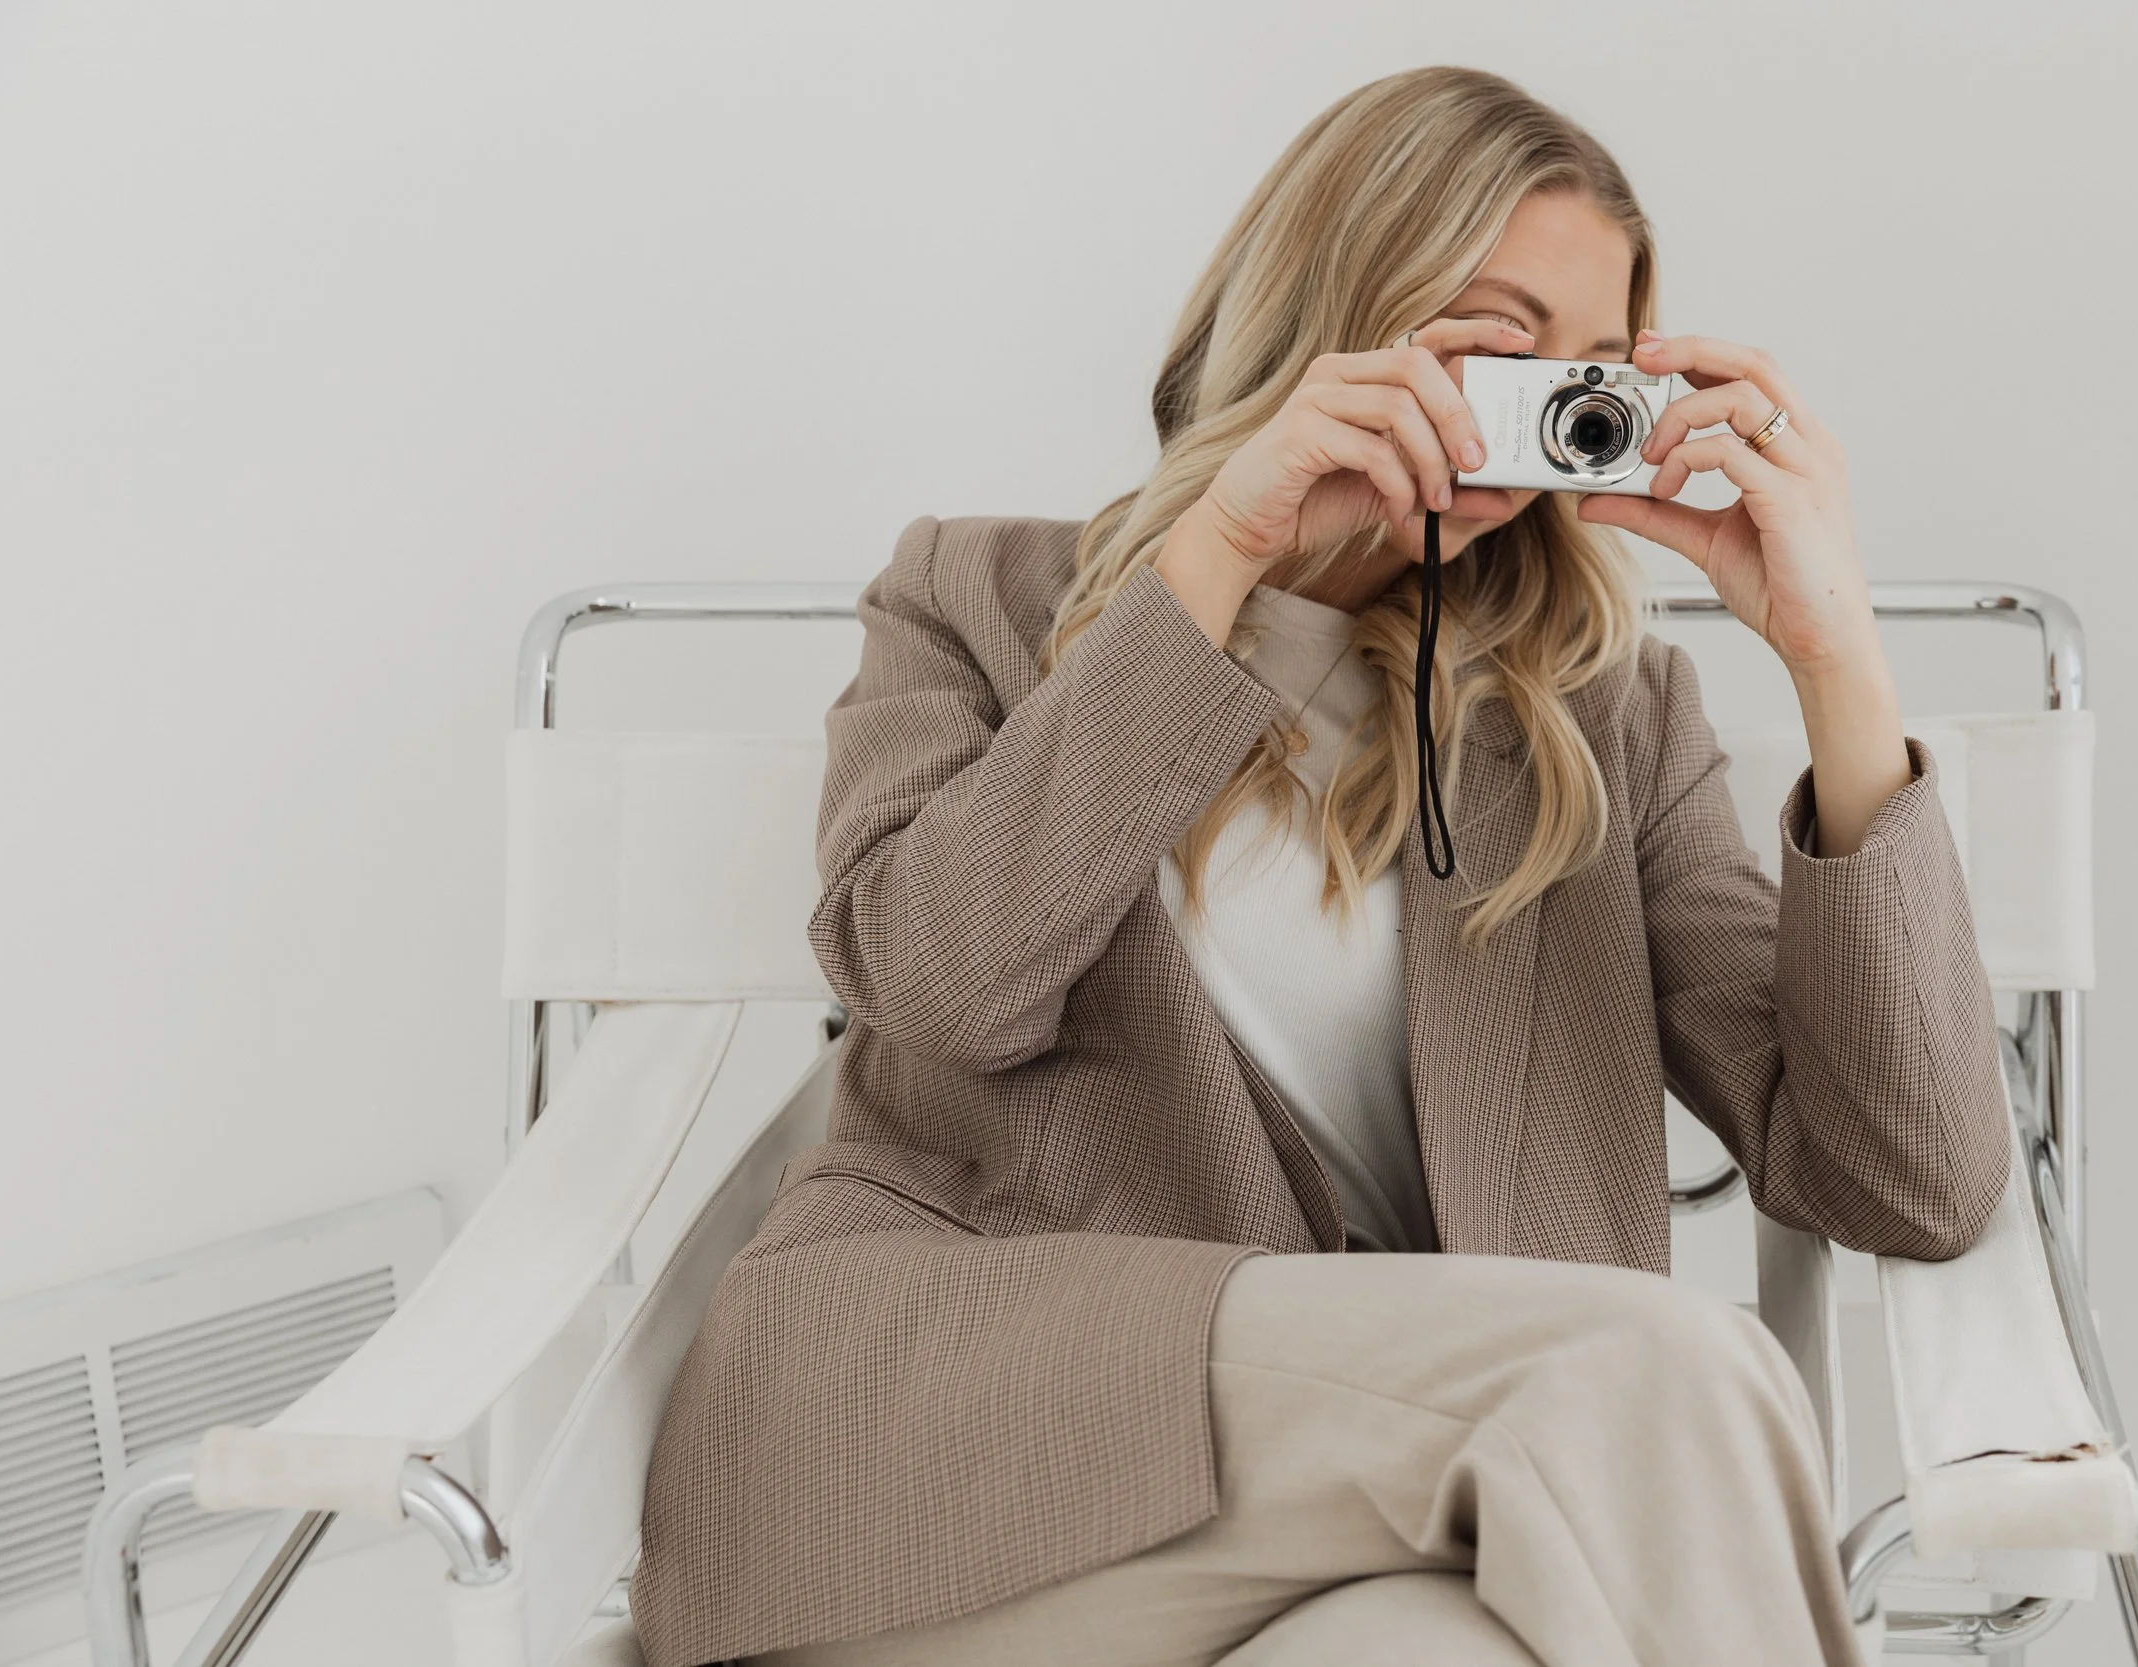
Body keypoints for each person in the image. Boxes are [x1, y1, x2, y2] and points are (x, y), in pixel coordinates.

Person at [633, 64, 2009, 1667]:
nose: (1541, 403)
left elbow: (1909, 1180)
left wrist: (1836, 656)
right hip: (939, 1478)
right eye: (1499, 337)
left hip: (1383, 1529)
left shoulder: (1602, 720)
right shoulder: (977, 598)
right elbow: (943, 988)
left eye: (1593, 370)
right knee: (1657, 1369)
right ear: (1344, 294)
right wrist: (1228, 548)